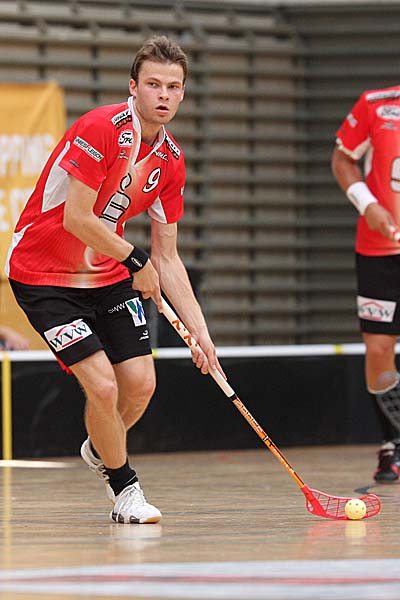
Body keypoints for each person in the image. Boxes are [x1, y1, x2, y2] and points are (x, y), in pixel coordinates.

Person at [5, 35, 224, 523]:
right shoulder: (101, 128)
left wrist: (202, 334)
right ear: (133, 87)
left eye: (173, 87)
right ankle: (126, 489)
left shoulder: (171, 160)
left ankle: (102, 445)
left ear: (183, 93)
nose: (163, 95)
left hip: (106, 274)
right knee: (102, 387)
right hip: (43, 276)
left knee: (141, 385)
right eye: (153, 84)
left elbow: (168, 258)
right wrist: (136, 260)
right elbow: (77, 219)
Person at [332, 84, 400, 483]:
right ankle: (391, 442)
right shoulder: (378, 104)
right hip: (380, 249)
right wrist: (367, 203)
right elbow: (343, 159)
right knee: (378, 348)